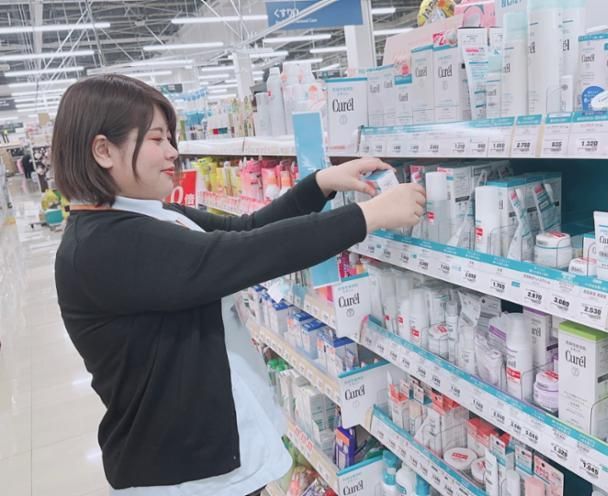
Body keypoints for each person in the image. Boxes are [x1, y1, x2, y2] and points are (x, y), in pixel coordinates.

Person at [52, 74, 426, 496]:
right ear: (103, 150)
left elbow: (244, 230)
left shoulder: (149, 215)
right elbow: (244, 255)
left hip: (210, 462)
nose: (172, 151)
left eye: (170, 137)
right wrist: (366, 216)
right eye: (157, 138)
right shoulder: (103, 246)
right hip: (185, 480)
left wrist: (320, 184)